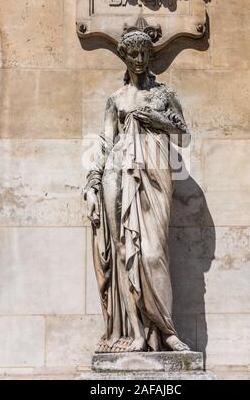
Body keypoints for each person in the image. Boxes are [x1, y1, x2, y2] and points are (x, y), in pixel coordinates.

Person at [84, 29, 191, 352]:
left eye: (145, 53)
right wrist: (91, 184)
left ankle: (165, 330)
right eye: (134, 54)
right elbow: (104, 141)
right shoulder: (116, 99)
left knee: (154, 252)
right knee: (122, 251)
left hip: (155, 174)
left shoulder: (164, 93)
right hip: (117, 173)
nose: (140, 60)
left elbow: (184, 134)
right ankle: (136, 333)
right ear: (125, 57)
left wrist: (156, 118)